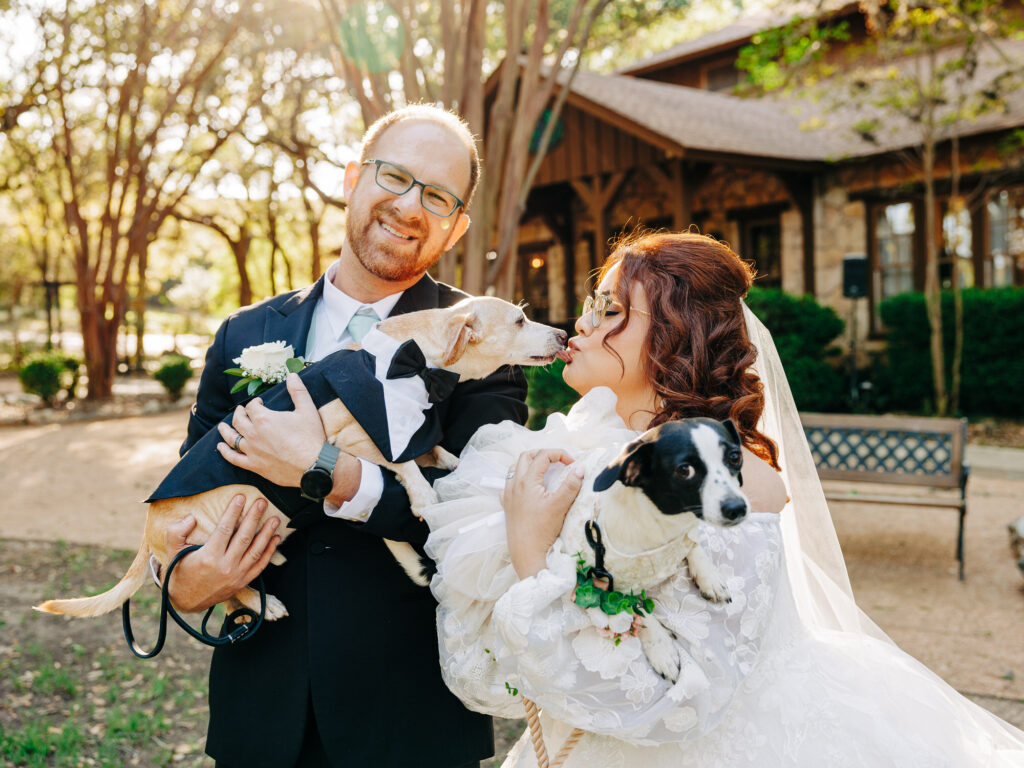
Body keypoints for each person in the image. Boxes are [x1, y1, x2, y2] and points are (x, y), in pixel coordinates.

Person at [423, 231, 1024, 767]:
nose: (582, 324)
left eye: (610, 310)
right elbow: (484, 674)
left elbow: (671, 702)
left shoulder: (727, 490)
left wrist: (531, 554)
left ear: (674, 336)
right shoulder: (573, 451)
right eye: (590, 305)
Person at [161, 104, 527, 768]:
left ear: (455, 226)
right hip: (260, 721)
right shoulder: (244, 335)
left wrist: (325, 468)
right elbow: (189, 494)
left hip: (412, 724)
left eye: (438, 196)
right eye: (395, 177)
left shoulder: (486, 341)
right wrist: (185, 582)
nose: (411, 206)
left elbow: (483, 534)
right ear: (354, 176)